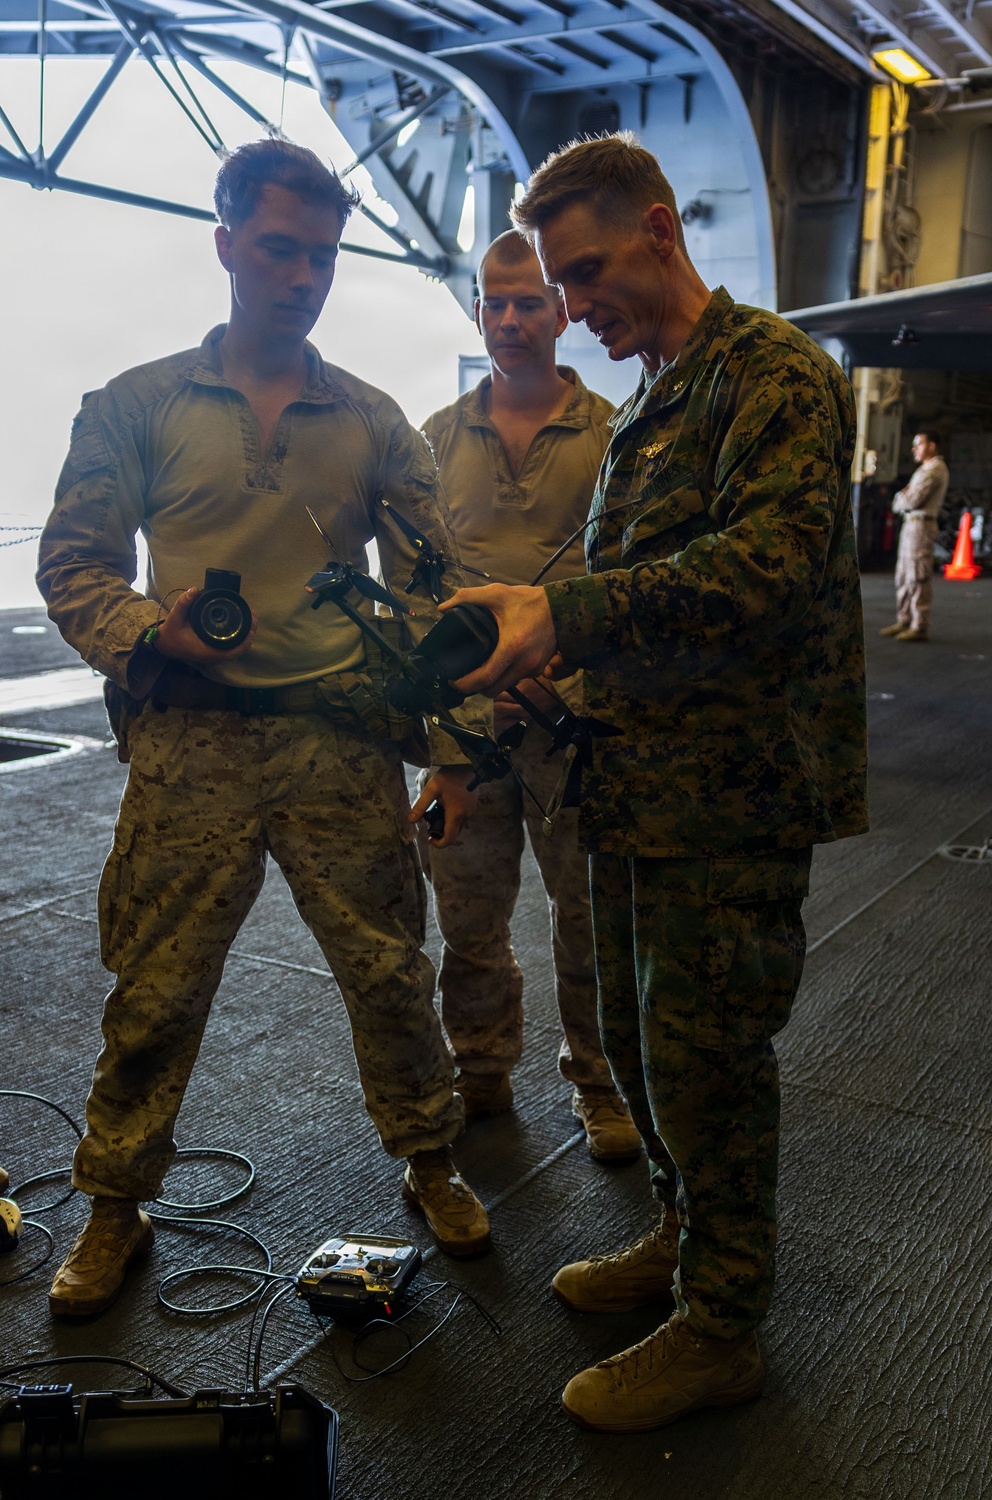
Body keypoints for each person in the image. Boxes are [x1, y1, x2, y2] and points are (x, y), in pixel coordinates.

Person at [441, 132, 868, 1432]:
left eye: (582, 273)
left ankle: (723, 1327)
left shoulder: (772, 374)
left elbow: (775, 569)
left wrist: (564, 618)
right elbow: (647, 612)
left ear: (660, 228)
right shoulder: (658, 400)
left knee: (707, 1061)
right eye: (556, 287)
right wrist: (550, 669)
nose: (571, 309)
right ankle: (685, 1246)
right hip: (635, 789)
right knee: (636, 1043)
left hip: (727, 804)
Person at [36, 139, 494, 1317]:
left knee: (391, 971)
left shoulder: (377, 421)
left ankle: (431, 1159)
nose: (303, 277)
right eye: (281, 250)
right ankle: (112, 1204)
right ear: (228, 243)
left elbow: (439, 595)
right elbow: (75, 566)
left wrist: (450, 745)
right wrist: (155, 634)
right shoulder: (134, 406)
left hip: (339, 740)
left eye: (323, 257)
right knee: (155, 986)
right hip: (189, 739)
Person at [420, 231, 640, 1162]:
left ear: (560, 311)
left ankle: (601, 1083)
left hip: (575, 730)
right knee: (469, 922)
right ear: (478, 311)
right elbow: (416, 594)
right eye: (494, 303)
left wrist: (576, 671)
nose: (510, 320)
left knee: (590, 922)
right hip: (469, 733)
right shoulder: (432, 440)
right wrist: (440, 736)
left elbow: (635, 582)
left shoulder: (616, 436)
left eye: (529, 302)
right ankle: (481, 1070)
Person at [881, 430, 949, 642]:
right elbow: (904, 498)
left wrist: (901, 499)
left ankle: (919, 626)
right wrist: (902, 498)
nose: (914, 449)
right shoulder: (923, 470)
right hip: (911, 525)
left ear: (931, 446)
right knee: (903, 575)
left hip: (921, 526)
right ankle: (904, 620)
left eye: (918, 444)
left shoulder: (935, 469)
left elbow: (911, 499)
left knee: (918, 576)